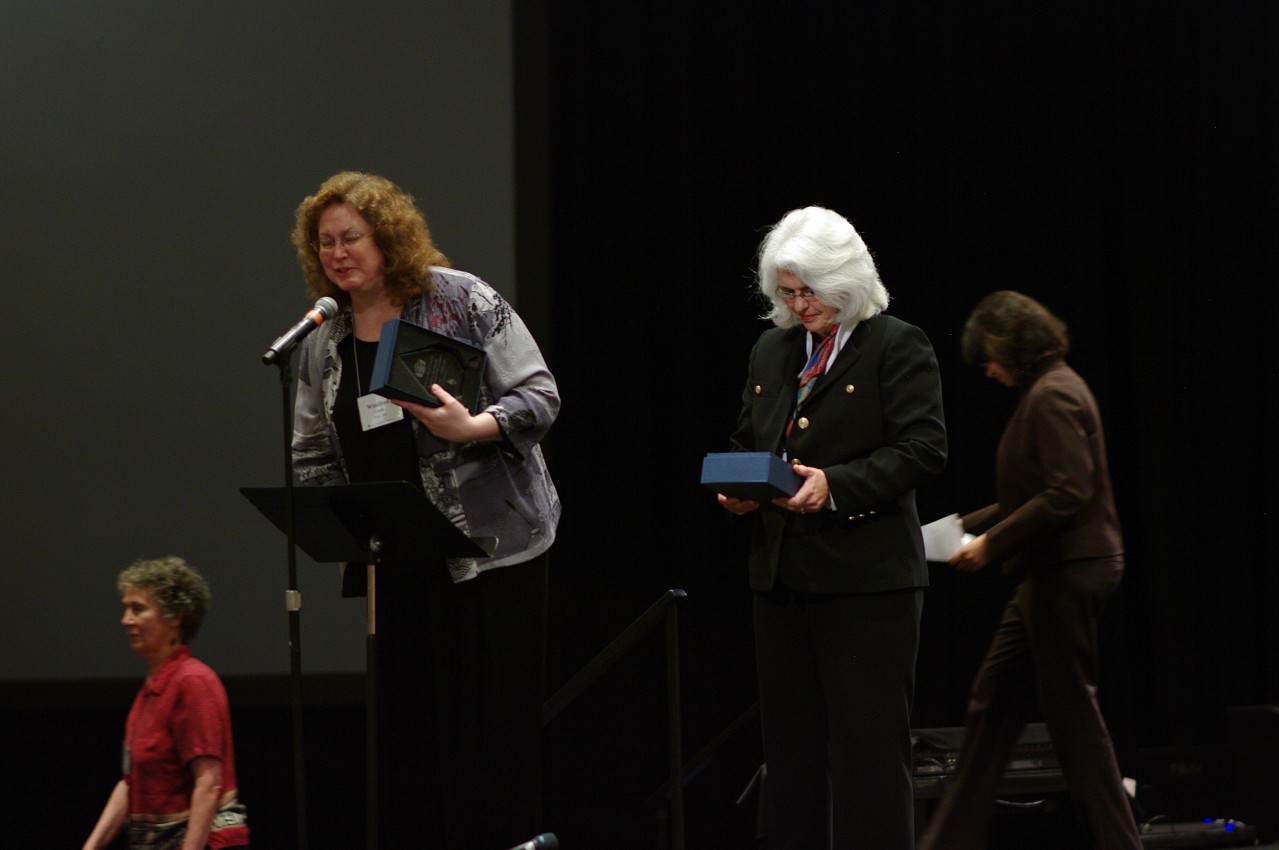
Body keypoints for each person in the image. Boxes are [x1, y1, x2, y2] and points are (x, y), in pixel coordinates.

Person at [289, 171, 560, 849]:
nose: (337, 253)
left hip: (493, 554)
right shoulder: (324, 340)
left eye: (350, 237)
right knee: (413, 739)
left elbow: (540, 394)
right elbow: (311, 451)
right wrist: (340, 512)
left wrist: (475, 428)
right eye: (324, 243)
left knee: (491, 737)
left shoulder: (459, 298)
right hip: (398, 561)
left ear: (387, 237)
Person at [718, 206, 947, 849]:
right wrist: (740, 487)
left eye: (809, 290)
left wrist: (835, 486)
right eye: (787, 293)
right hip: (782, 576)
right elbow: (749, 437)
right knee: (790, 757)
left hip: (868, 581)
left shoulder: (896, 343)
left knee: (869, 757)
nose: (799, 304)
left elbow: (924, 449)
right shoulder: (773, 347)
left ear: (846, 279)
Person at [918, 291, 1141, 849]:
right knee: (992, 705)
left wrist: (990, 544)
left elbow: (1067, 493)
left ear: (1010, 347)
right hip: (1049, 574)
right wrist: (955, 528)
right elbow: (1027, 494)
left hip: (1069, 572)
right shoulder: (1045, 391)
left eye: (989, 358)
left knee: (1074, 724)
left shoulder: (1054, 394)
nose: (988, 371)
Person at [82, 557, 250, 850]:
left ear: (175, 618)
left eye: (138, 608)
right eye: (126, 608)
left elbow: (208, 784)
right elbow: (129, 782)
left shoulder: (192, 681)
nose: (126, 619)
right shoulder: (150, 691)